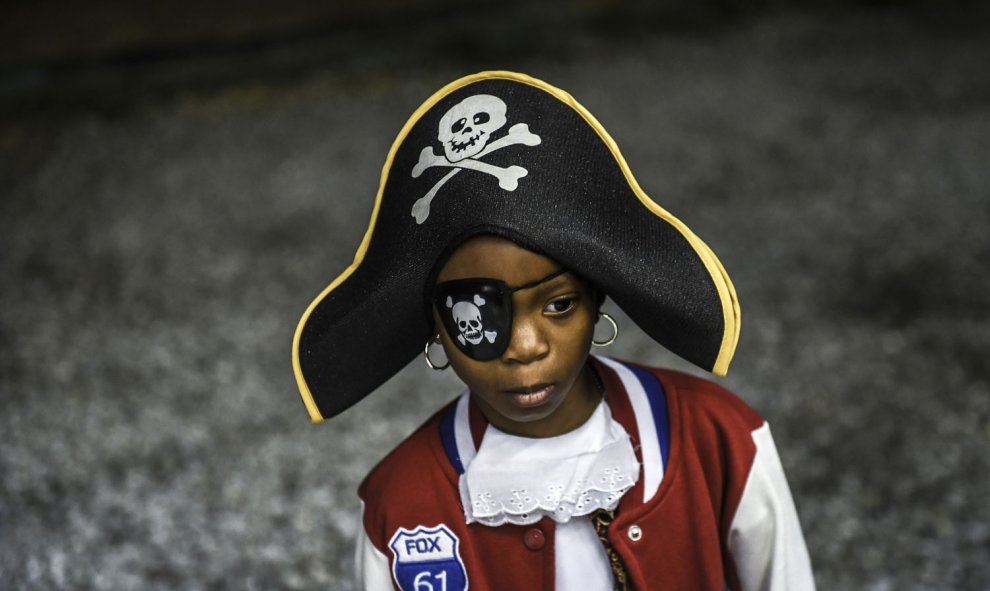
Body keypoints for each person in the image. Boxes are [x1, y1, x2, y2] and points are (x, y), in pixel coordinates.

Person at [292, 71, 815, 590]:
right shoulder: (400, 506)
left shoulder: (721, 441)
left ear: (597, 296)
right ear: (435, 329)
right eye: (477, 316)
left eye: (559, 304)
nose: (526, 347)